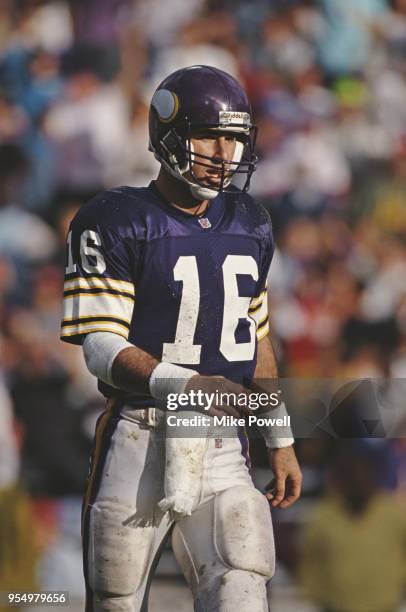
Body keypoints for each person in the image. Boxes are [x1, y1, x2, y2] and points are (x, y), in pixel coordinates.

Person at [60, 65, 302, 612]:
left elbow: (257, 338)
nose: (223, 152)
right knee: (117, 597)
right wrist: (187, 385)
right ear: (168, 137)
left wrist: (279, 436)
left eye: (234, 138)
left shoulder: (251, 220)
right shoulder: (115, 218)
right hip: (140, 436)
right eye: (208, 136)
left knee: (242, 586)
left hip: (221, 443)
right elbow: (100, 347)